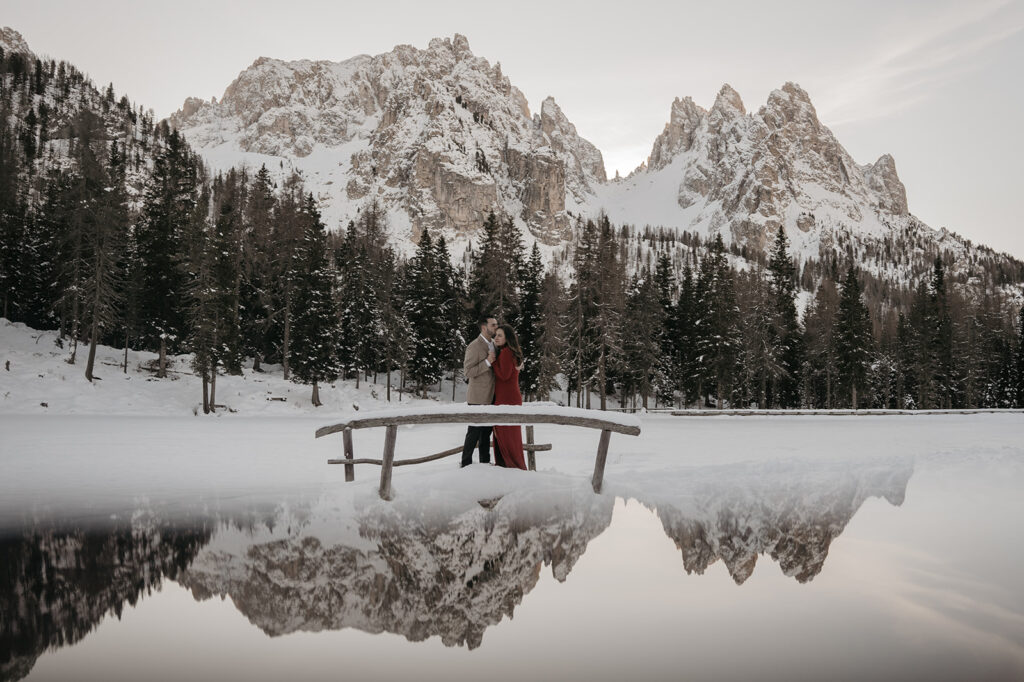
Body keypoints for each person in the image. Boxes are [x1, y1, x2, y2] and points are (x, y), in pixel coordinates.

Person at [461, 315, 497, 467]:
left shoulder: (494, 344)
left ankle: (485, 464)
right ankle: (465, 464)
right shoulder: (474, 346)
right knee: (473, 433)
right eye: (493, 325)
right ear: (484, 327)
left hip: (492, 397)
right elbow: (468, 372)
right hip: (477, 398)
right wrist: (487, 362)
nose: (496, 327)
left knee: (486, 434)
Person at [491, 324, 527, 470]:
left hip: (507, 399)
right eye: (496, 335)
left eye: (500, 335)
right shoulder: (509, 351)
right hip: (509, 397)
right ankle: (510, 465)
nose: (496, 337)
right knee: (508, 434)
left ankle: (512, 466)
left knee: (505, 434)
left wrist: (493, 363)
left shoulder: (506, 352)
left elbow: (504, 376)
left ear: (508, 338)